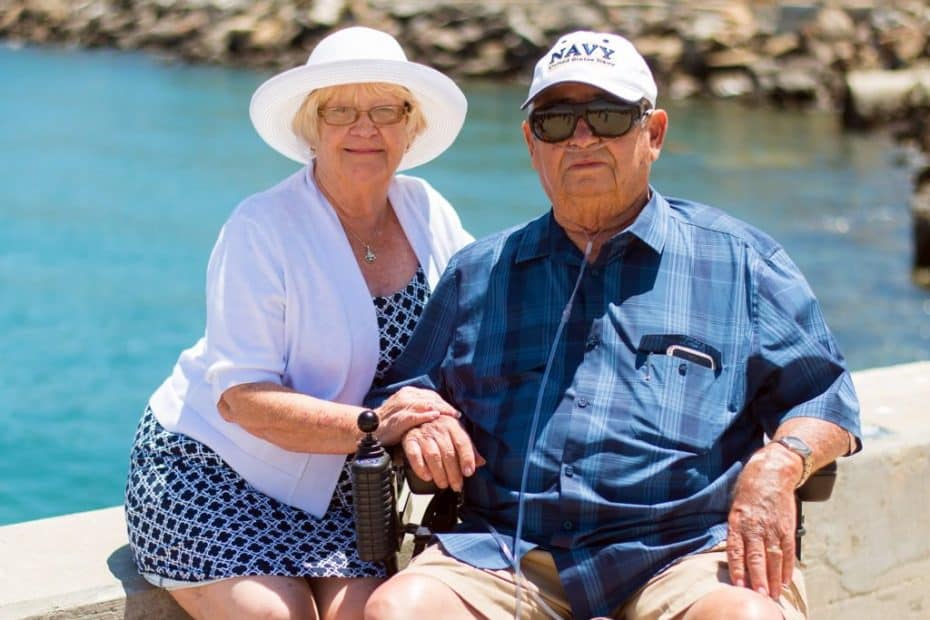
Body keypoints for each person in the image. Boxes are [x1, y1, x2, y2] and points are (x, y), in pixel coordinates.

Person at [363, 30, 861, 620]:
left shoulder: (741, 261)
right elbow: (403, 388)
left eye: (607, 116)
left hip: (685, 555)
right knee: (400, 610)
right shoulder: (479, 273)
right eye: (556, 120)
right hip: (506, 553)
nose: (582, 138)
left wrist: (780, 463)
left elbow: (827, 399)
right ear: (531, 142)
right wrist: (420, 419)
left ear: (653, 134)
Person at [123, 26, 473, 620]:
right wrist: (380, 424)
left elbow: (476, 335)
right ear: (313, 128)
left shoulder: (428, 210)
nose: (365, 128)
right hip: (211, 472)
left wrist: (432, 419)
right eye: (341, 110)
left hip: (340, 491)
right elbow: (241, 399)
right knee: (275, 616)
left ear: (411, 128)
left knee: (370, 614)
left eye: (385, 109)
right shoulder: (261, 227)